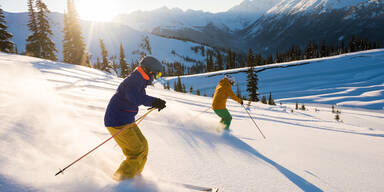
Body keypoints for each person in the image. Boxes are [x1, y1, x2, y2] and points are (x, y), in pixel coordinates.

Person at [104, 56, 166, 181]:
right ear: (148, 70)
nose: (156, 78)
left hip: (125, 120)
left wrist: (154, 102)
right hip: (117, 121)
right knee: (136, 152)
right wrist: (154, 101)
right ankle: (121, 180)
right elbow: (134, 96)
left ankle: (134, 174)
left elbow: (138, 96)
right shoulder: (134, 80)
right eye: (156, 75)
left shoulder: (139, 80)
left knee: (143, 145)